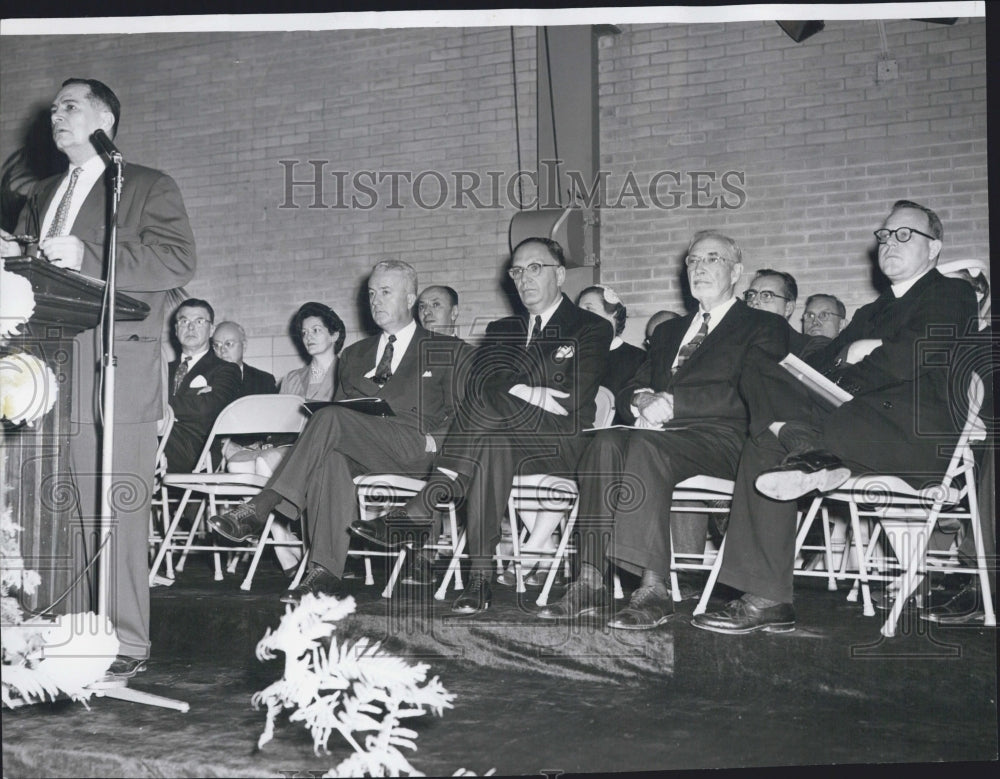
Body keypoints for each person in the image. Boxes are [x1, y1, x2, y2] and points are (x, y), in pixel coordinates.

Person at [692, 200, 979, 635]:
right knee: (761, 394)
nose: (890, 242)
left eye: (905, 235)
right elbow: (823, 365)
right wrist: (848, 355)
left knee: (776, 432)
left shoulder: (951, 294)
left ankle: (806, 447)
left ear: (933, 247)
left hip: (910, 437)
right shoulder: (870, 312)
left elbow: (905, 360)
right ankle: (768, 598)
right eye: (885, 235)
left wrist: (855, 356)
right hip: (854, 426)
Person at [0, 78, 196, 679]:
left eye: (70, 106)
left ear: (104, 120)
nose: (55, 115)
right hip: (45, 372)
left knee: (114, 509)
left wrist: (88, 254)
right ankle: (56, 631)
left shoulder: (144, 184)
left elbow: (177, 259)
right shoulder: (42, 193)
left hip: (115, 367)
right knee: (49, 507)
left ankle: (125, 641)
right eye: (54, 108)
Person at [535, 230, 789, 629]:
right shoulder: (670, 332)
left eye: (712, 259)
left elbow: (758, 393)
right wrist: (640, 401)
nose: (699, 267)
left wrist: (675, 404)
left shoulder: (762, 325)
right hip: (660, 435)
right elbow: (631, 387)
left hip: (721, 438)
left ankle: (654, 589)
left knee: (646, 446)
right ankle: (590, 579)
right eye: (693, 260)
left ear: (736, 271)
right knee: (603, 442)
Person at [350, 237, 611, 615]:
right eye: (517, 271)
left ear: (559, 274)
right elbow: (480, 386)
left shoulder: (591, 327)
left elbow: (570, 396)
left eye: (534, 268)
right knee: (491, 443)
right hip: (502, 442)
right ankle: (480, 578)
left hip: (559, 445)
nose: (524, 278)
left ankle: (424, 506)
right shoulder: (501, 329)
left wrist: (509, 386)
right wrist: (527, 390)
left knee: (487, 413)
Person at [207, 260, 471, 603]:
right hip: (365, 447)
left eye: (385, 292)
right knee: (330, 458)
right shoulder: (355, 354)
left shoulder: (448, 350)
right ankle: (325, 572)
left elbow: (467, 414)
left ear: (410, 298)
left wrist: (436, 440)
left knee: (330, 417)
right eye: (371, 293)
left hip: (417, 450)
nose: (375, 300)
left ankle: (263, 504)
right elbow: (345, 412)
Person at [577, 284, 645, 396]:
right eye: (578, 311)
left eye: (589, 309)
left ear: (614, 315)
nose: (580, 316)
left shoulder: (639, 359)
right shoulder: (573, 357)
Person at [744, 268, 828, 357]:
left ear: (788, 308)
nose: (754, 301)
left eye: (766, 295)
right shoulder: (739, 346)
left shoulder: (814, 347)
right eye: (751, 295)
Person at [279, 302, 346, 401]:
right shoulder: (291, 379)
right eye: (304, 332)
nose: (308, 337)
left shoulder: (347, 374)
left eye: (316, 330)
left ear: (334, 335)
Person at [212, 321, 277, 396]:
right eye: (217, 345)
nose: (222, 350)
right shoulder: (207, 379)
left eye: (228, 344)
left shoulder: (264, 381)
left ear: (244, 345)